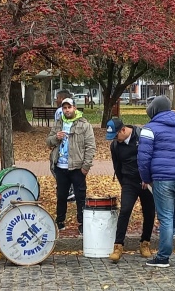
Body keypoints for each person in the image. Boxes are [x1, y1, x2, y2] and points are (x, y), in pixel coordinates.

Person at [137, 95, 175, 268]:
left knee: (166, 218)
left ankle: (163, 257)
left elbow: (143, 159)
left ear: (153, 110)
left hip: (163, 179)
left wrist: (146, 179)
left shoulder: (150, 129)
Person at [106, 118, 156, 262]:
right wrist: (124, 183)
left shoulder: (141, 136)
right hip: (129, 182)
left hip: (146, 182)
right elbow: (117, 166)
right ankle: (118, 245)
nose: (115, 140)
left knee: (149, 212)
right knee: (125, 210)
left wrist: (148, 179)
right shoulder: (115, 146)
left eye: (116, 136)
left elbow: (151, 158)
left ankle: (145, 243)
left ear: (123, 130)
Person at [46, 97, 95, 234]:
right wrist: (57, 137)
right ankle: (60, 222)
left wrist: (86, 167)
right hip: (60, 167)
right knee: (61, 196)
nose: (67, 110)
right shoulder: (58, 123)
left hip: (77, 167)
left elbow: (90, 147)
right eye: (64, 108)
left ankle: (82, 223)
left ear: (74, 108)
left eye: (69, 107)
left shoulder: (84, 124)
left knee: (80, 196)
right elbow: (49, 142)